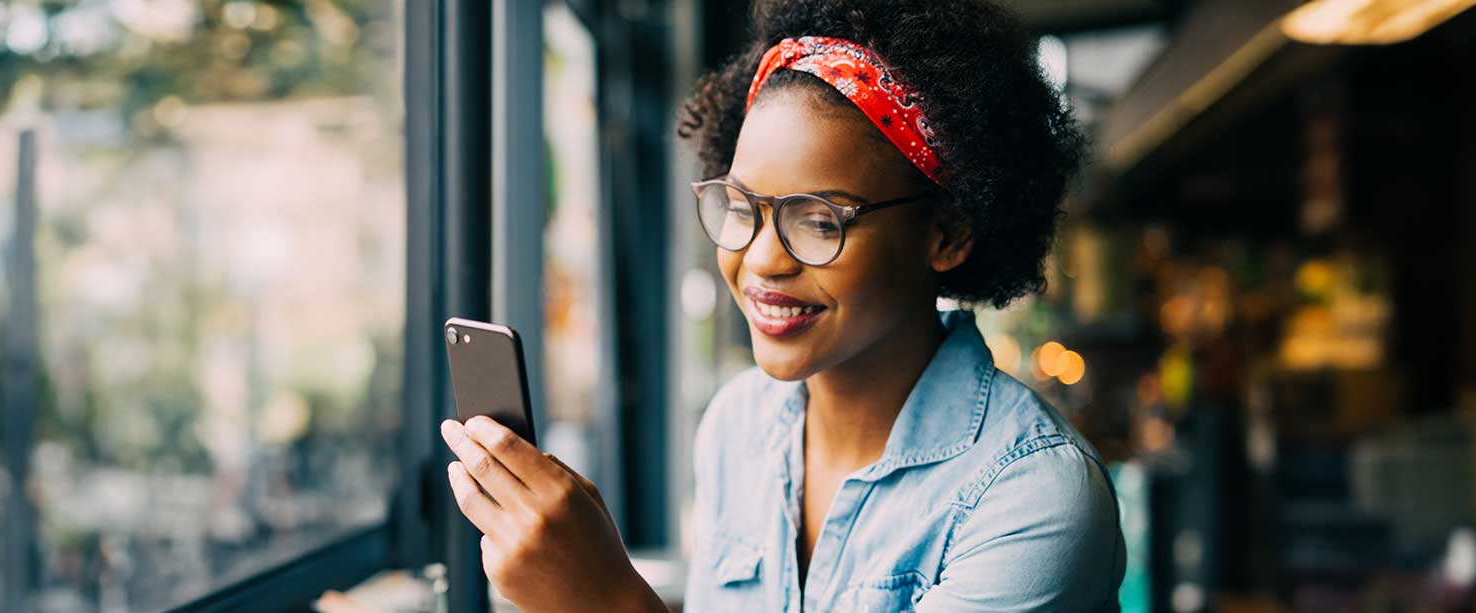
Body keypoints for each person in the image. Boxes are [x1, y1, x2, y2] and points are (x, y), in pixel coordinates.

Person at [437, 0, 1122, 610]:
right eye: (740, 207)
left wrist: (603, 598)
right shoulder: (736, 427)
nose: (761, 260)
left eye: (819, 220)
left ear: (946, 232)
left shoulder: (1034, 499)